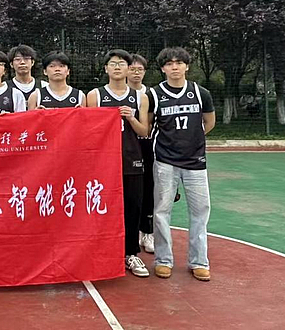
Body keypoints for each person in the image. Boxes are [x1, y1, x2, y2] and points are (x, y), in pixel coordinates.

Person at [148, 47, 216, 282]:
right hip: (165, 160)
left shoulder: (201, 93)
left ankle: (199, 262)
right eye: (169, 63)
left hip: (195, 161)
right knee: (161, 211)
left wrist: (192, 140)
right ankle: (163, 260)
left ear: (187, 66)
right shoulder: (154, 94)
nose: (174, 67)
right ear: (163, 68)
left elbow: (209, 122)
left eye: (179, 63)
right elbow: (149, 125)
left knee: (200, 211)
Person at [86, 49, 151, 278]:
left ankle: (130, 253)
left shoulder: (139, 97)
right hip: (103, 162)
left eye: (121, 63)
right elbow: (88, 129)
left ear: (128, 69)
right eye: (112, 63)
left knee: (132, 208)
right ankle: (101, 251)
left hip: (132, 159)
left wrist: (130, 117)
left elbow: (144, 131)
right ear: (106, 68)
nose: (117, 67)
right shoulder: (95, 95)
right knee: (101, 207)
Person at [127, 54, 155, 254]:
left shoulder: (150, 95)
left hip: (146, 146)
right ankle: (127, 233)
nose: (136, 73)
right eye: (133, 69)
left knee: (148, 189)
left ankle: (147, 231)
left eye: (140, 69)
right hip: (124, 148)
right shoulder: (116, 93)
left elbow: (151, 123)